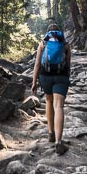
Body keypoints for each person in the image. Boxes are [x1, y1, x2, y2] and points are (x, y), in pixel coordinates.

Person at [31, 20, 71, 155]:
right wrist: (66, 78)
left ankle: (50, 133)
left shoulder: (43, 43)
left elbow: (37, 64)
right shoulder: (65, 45)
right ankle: (59, 141)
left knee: (48, 101)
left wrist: (34, 82)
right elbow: (68, 65)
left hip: (45, 76)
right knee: (58, 106)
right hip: (61, 77)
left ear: (47, 32)